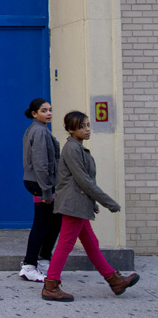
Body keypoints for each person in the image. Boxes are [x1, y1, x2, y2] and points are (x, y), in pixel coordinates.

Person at [42, 111, 140, 302]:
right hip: (73, 204)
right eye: (82, 126)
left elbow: (83, 182)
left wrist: (92, 202)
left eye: (87, 125)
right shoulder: (72, 149)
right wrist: (108, 202)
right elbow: (83, 180)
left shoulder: (78, 147)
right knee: (65, 244)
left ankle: (114, 280)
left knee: (91, 244)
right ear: (71, 130)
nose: (87, 129)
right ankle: (51, 285)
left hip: (79, 203)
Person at [19, 98, 62, 282]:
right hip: (40, 184)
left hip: (40, 183)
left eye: (50, 110)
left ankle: (43, 259)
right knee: (42, 224)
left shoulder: (38, 130)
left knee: (54, 221)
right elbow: (40, 163)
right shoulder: (39, 131)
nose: (49, 113)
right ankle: (29, 265)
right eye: (44, 110)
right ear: (35, 113)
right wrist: (46, 190)